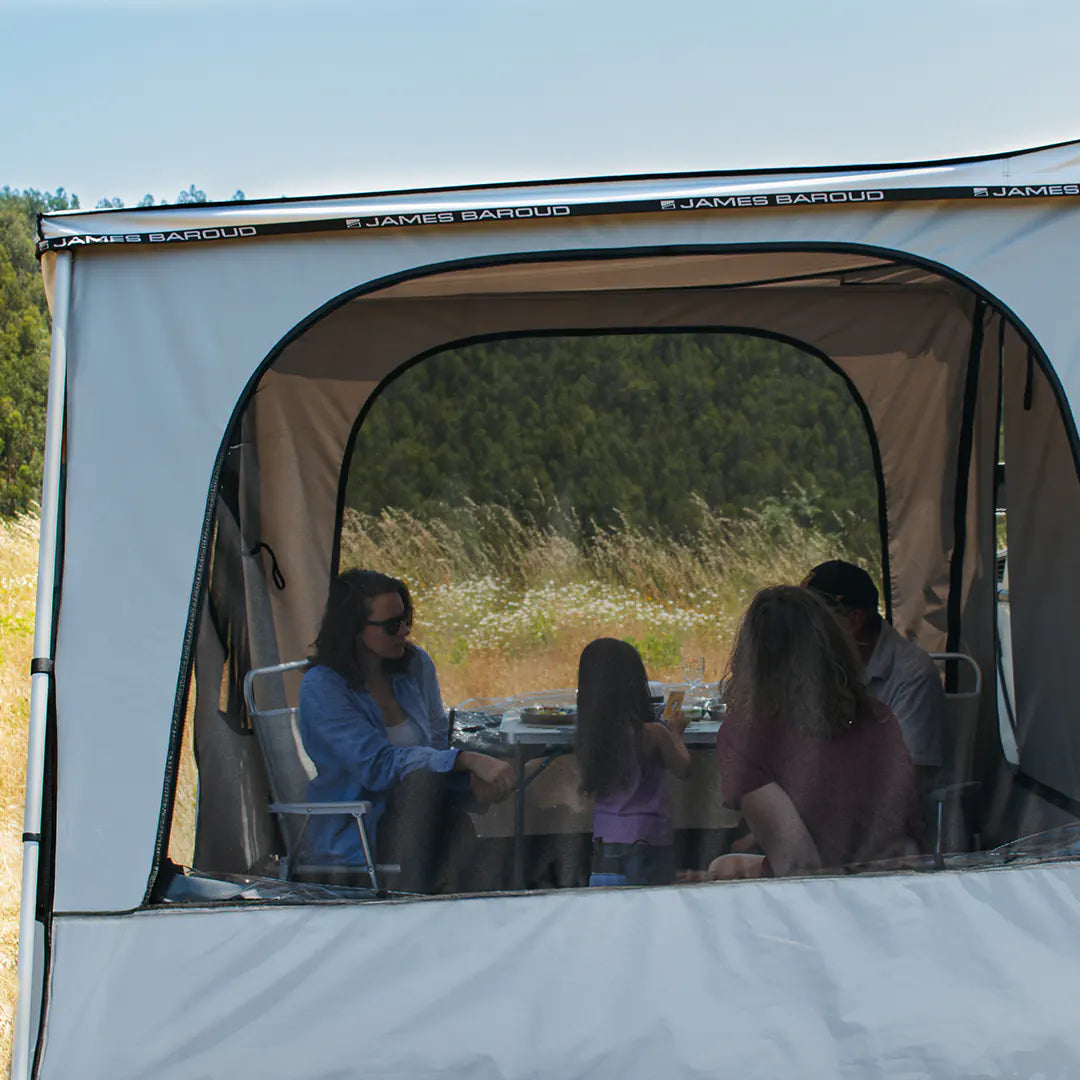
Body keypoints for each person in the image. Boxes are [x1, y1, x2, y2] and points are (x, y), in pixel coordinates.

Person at [298, 569, 515, 891]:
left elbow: (437, 743)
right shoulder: (322, 687)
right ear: (353, 629)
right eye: (391, 626)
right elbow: (377, 766)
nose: (403, 631)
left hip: (427, 817)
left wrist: (470, 784)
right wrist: (466, 761)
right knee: (446, 823)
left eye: (405, 619)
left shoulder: (415, 665)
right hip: (360, 828)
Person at [710, 586, 923, 879]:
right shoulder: (878, 717)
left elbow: (801, 867)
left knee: (721, 868)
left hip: (831, 892)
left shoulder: (746, 735)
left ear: (751, 659)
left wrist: (733, 869)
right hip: (896, 885)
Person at [803, 559, 945, 782]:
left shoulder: (913, 674)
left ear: (854, 621)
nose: (804, 630)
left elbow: (907, 778)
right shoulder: (818, 663)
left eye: (814, 620)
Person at [576, 638, 692, 886]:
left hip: (605, 838)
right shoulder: (653, 734)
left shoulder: (590, 737)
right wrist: (675, 734)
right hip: (649, 838)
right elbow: (684, 767)